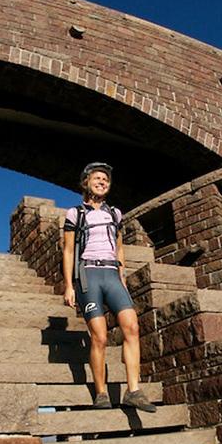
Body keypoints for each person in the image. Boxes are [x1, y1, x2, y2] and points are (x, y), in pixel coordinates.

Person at [63, 162, 156, 412]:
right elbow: (68, 250)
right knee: (100, 337)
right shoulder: (75, 213)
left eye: (106, 179)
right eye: (97, 178)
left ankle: (133, 391)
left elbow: (120, 247)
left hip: (112, 275)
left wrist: (122, 276)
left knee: (132, 327)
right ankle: (101, 393)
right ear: (86, 182)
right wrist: (69, 285)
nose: (103, 182)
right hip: (88, 275)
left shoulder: (115, 214)